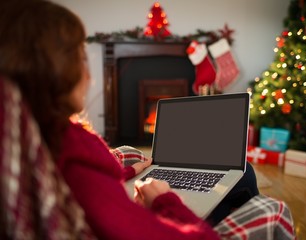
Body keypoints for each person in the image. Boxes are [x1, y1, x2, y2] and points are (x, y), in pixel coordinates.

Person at [0, 1, 288, 239]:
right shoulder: (71, 150)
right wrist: (164, 201)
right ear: (55, 69)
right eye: (81, 59)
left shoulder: (23, 138)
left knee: (236, 171)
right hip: (174, 222)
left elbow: (95, 189)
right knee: (264, 198)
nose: (88, 76)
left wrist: (127, 174)